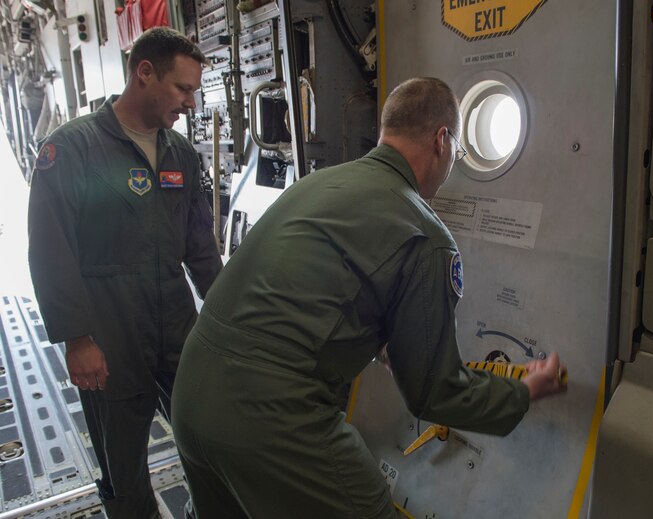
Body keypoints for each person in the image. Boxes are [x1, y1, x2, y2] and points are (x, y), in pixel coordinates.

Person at [171, 77, 567, 519]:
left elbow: (312, 295)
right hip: (269, 415)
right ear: (442, 140)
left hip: (192, 394)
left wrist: (380, 339)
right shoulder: (427, 236)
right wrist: (522, 391)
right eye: (458, 149)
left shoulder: (319, 184)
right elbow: (435, 394)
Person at [27, 27, 222, 518]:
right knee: (124, 464)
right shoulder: (72, 151)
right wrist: (77, 339)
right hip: (110, 334)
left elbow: (200, 248)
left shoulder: (180, 154)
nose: (190, 103)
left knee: (212, 438)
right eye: (183, 89)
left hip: (178, 325)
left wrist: (223, 316)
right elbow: (50, 251)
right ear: (144, 73)